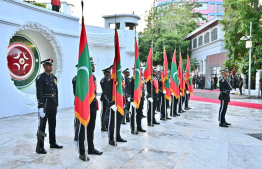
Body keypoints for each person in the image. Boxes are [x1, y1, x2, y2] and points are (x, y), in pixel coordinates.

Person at [74, 59, 103, 161]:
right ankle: (82, 152)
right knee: (82, 130)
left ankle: (91, 148)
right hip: (84, 106)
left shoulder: (93, 77)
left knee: (91, 128)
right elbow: (78, 95)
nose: (93, 67)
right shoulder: (77, 78)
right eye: (92, 65)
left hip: (93, 105)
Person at [36, 59, 63, 154]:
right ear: (44, 66)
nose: (50, 67)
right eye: (48, 65)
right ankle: (40, 147)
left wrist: (57, 104)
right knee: (42, 126)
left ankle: (53, 142)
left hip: (52, 104)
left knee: (52, 124)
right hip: (45, 104)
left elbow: (56, 92)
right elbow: (39, 93)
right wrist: (40, 106)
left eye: (51, 65)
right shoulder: (40, 78)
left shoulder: (53, 77)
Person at [104, 73, 127, 146]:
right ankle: (111, 139)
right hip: (114, 104)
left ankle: (117, 136)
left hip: (120, 103)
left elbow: (123, 90)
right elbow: (106, 91)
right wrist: (111, 103)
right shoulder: (111, 78)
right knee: (112, 122)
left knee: (119, 122)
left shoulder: (121, 77)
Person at [100, 66, 112, 131]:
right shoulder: (103, 80)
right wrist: (107, 98)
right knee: (104, 112)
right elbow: (105, 90)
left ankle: (107, 124)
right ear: (105, 73)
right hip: (105, 98)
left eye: (109, 72)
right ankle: (103, 125)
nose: (109, 73)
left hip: (109, 98)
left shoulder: (110, 79)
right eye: (108, 72)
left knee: (108, 113)